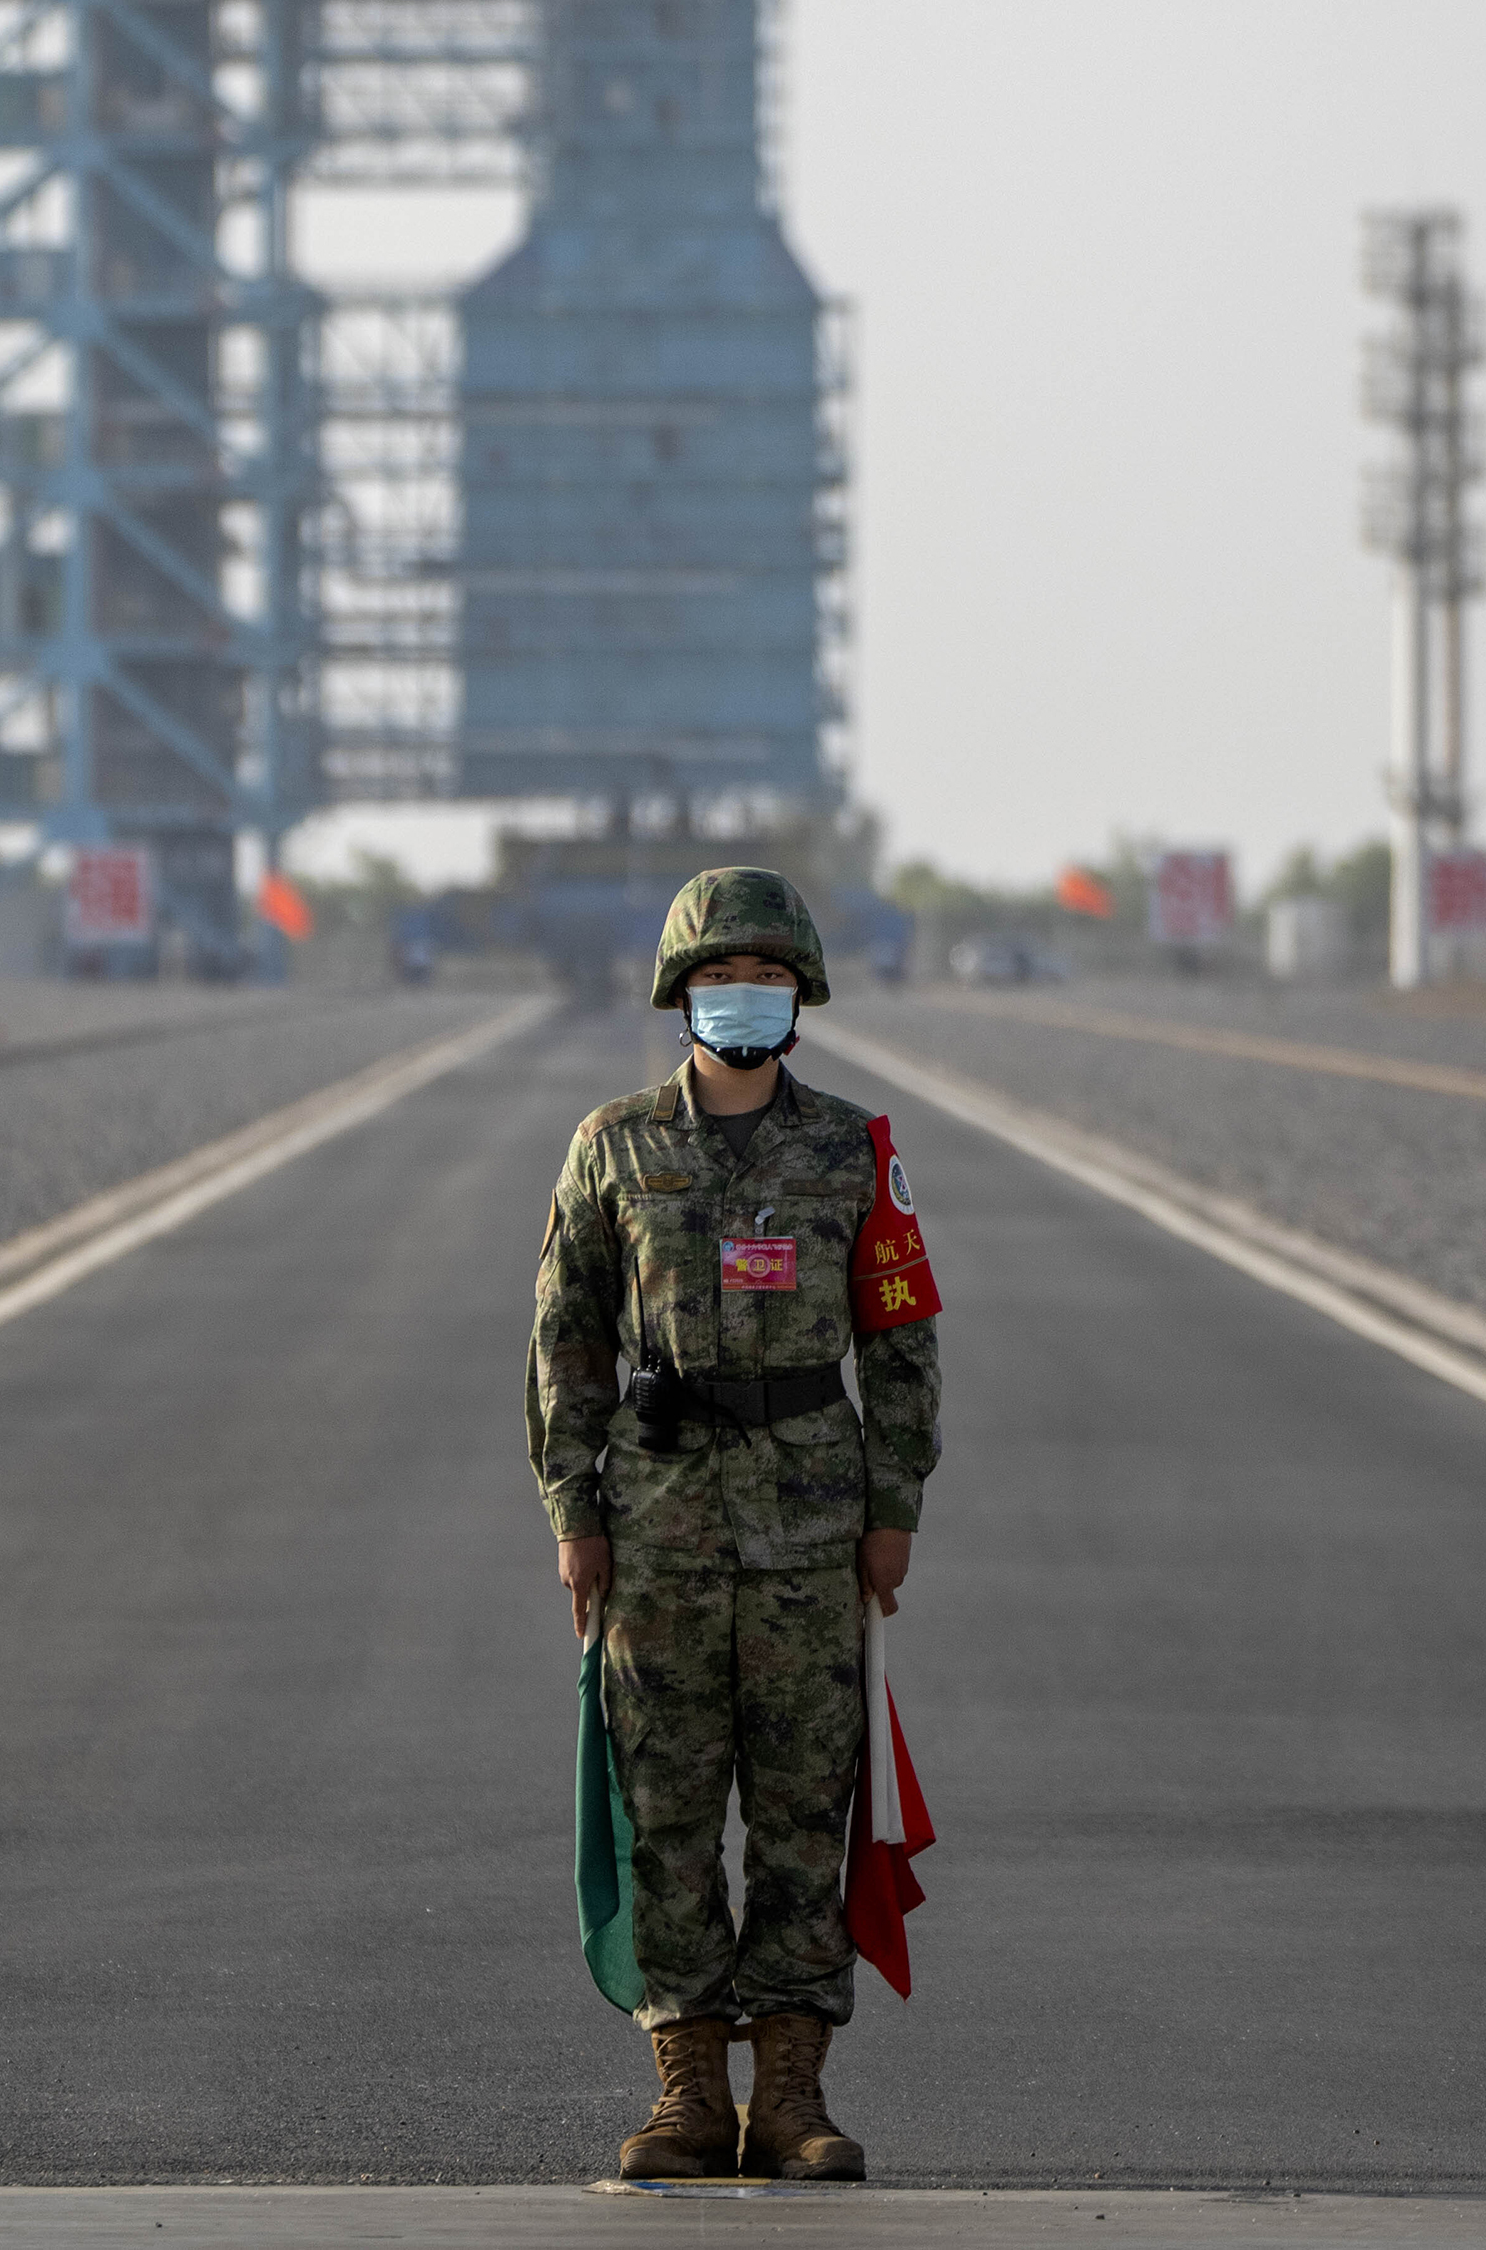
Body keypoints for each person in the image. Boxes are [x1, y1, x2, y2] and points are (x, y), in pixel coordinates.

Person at [527, 865, 940, 2183]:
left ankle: (796, 2101)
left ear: (801, 995)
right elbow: (565, 1342)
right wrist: (573, 1510)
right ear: (679, 996)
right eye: (718, 979)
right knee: (668, 1814)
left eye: (763, 978)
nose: (741, 998)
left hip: (815, 1537)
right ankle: (691, 2097)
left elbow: (905, 1342)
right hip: (656, 1535)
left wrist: (893, 1507)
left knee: (806, 1813)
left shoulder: (855, 1152)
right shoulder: (615, 1148)